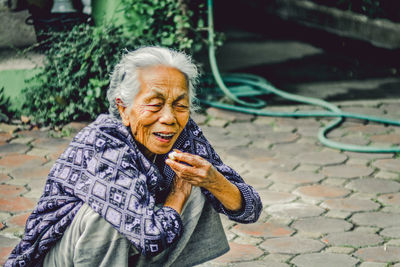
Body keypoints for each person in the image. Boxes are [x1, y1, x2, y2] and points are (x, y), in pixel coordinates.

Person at [6, 46, 262, 267]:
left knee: (201, 181)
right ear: (124, 109)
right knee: (105, 218)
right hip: (61, 258)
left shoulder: (183, 134)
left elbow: (250, 209)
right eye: (155, 104)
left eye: (180, 105)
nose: (169, 118)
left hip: (137, 242)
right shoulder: (102, 142)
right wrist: (176, 197)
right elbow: (149, 236)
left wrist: (215, 181)